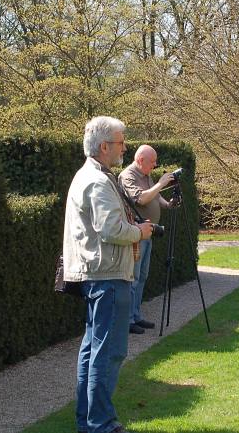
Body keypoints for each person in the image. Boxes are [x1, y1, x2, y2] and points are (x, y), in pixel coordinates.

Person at [60, 116, 153, 433]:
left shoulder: (90, 176)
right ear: (103, 146)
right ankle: (100, 424)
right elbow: (110, 229)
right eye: (120, 142)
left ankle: (89, 422)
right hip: (108, 276)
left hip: (100, 275)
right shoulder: (98, 181)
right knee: (108, 353)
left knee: (92, 350)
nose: (124, 148)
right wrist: (140, 232)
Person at [118, 145, 175, 334]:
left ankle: (136, 315)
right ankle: (126, 321)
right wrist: (161, 183)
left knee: (142, 277)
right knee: (132, 278)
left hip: (148, 233)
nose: (155, 165)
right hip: (136, 235)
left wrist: (168, 204)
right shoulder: (128, 176)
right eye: (152, 162)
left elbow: (154, 195)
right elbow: (141, 199)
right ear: (141, 160)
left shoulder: (145, 174)